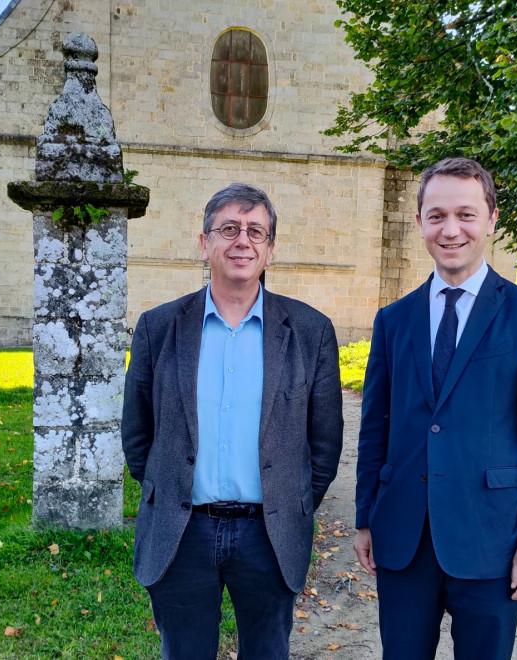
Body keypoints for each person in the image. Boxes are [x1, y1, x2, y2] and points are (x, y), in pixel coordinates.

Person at [354, 158, 517, 659]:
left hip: (491, 537)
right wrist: (366, 516)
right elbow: (376, 426)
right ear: (419, 223)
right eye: (437, 216)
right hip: (404, 537)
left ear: (492, 219)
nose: (451, 230)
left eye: (466, 215)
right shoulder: (395, 319)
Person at [122, 182, 343, 660]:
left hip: (269, 533)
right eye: (228, 229)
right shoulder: (158, 328)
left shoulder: (309, 331)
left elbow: (324, 446)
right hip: (182, 533)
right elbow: (138, 436)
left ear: (270, 249)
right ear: (205, 243)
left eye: (255, 231)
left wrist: (291, 498)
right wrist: (172, 486)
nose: (242, 241)